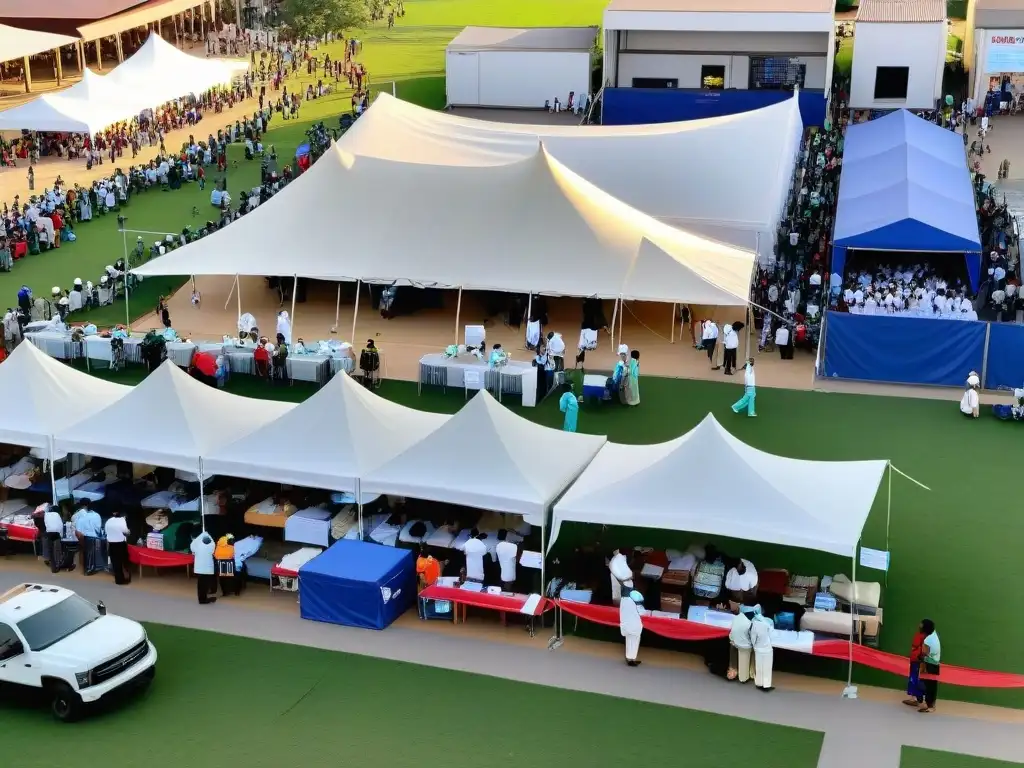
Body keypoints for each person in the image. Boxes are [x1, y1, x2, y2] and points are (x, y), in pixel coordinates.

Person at [72, 499, 104, 575]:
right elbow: (98, 528)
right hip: (92, 537)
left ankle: (83, 568)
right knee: (92, 553)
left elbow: (76, 526)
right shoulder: (96, 515)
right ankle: (90, 569)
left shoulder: (78, 515)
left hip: (81, 536)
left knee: (82, 552)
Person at [917, 619, 941, 713]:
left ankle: (927, 705)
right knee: (932, 685)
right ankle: (931, 705)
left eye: (921, 625)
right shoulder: (935, 634)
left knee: (926, 685)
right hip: (936, 664)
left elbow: (924, 653)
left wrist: (921, 661)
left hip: (929, 664)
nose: (919, 626)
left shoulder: (927, 640)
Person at [903, 622, 927, 707]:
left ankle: (916, 699)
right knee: (914, 679)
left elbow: (920, 649)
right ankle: (914, 698)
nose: (919, 626)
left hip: (917, 661)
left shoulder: (923, 637)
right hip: (915, 660)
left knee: (915, 679)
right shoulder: (921, 636)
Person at [619, 589, 646, 666]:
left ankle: (628, 658)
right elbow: (642, 612)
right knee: (634, 643)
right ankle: (632, 659)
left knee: (628, 642)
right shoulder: (636, 603)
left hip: (626, 625)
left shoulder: (624, 601)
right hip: (634, 626)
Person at [750, 609, 774, 691]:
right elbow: (772, 635)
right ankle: (766, 685)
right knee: (767, 668)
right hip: (767, 649)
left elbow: (753, 638)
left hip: (758, 649)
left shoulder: (754, 623)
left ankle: (759, 683)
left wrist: (755, 646)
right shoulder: (769, 622)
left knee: (759, 667)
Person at [105, 510, 131, 585]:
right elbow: (125, 531)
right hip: (120, 544)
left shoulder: (108, 521)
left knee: (115, 562)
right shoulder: (122, 520)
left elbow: (107, 532)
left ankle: (118, 580)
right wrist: (129, 531)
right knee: (122, 561)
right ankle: (125, 578)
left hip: (111, 544)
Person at [190, 532, 217, 604]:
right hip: (208, 569)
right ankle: (203, 599)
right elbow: (213, 542)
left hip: (200, 569)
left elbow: (192, 544)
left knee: (200, 585)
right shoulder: (211, 546)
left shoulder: (198, 547)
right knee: (205, 585)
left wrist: (201, 535)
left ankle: (202, 599)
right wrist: (207, 534)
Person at [728, 608, 754, 683]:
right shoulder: (751, 622)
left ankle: (733, 669)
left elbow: (731, 634)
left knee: (732, 644)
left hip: (736, 643)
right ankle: (751, 672)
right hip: (745, 647)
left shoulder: (736, 618)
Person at [43, 504, 64, 574]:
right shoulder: (57, 515)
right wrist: (61, 536)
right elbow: (60, 525)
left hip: (49, 533)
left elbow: (45, 524)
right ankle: (57, 565)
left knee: (50, 550)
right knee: (57, 550)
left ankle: (53, 567)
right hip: (57, 533)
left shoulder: (46, 514)